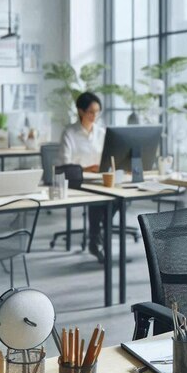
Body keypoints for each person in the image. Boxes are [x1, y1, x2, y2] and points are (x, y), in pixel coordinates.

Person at [59, 92, 107, 262]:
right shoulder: (69, 133)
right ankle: (96, 236)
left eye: (97, 112)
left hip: (101, 178)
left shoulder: (101, 132)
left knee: (116, 199)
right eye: (90, 112)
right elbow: (65, 164)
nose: (94, 116)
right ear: (80, 111)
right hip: (78, 180)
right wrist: (88, 168)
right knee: (100, 198)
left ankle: (97, 234)